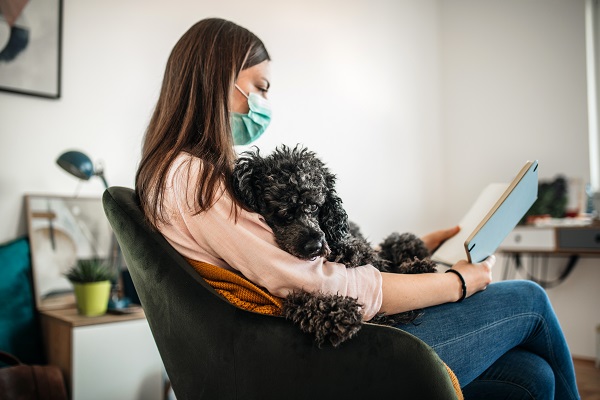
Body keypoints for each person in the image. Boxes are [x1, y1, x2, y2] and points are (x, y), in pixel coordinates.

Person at [135, 18, 580, 400]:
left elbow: (305, 255)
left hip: (308, 343)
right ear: (217, 78)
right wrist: (457, 282)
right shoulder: (192, 177)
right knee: (529, 299)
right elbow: (316, 282)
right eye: (259, 87)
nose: (263, 103)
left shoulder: (187, 172)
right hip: (327, 353)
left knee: (531, 377)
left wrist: (418, 250)